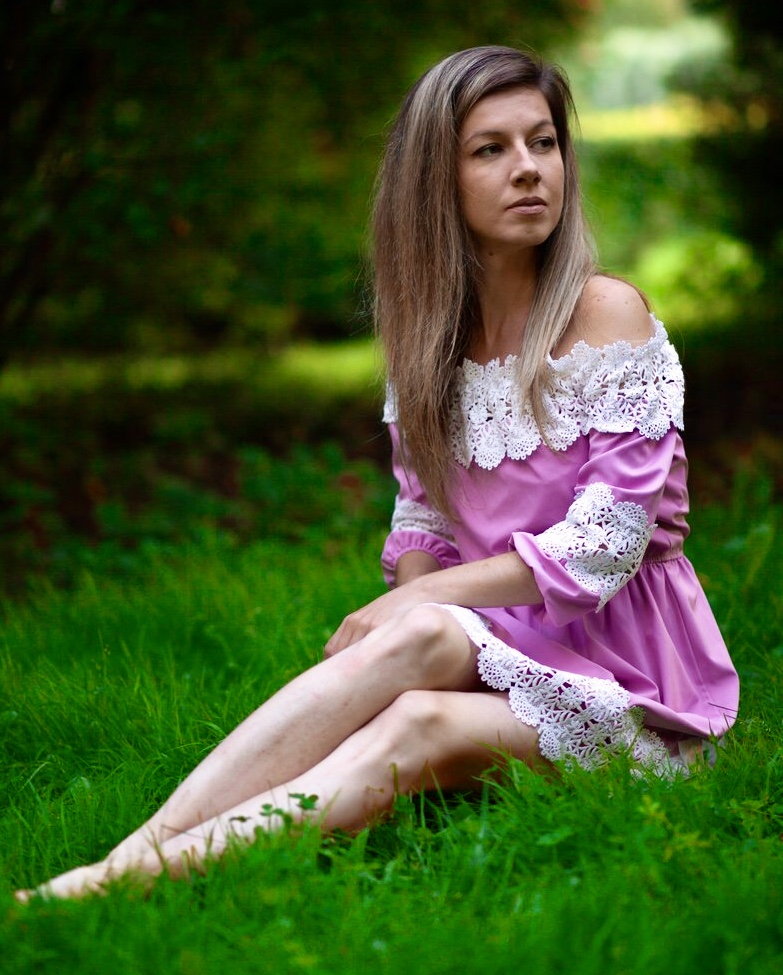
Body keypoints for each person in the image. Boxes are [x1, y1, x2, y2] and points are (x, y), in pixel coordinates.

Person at [15, 45, 739, 903]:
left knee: (418, 709)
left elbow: (602, 547)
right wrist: (417, 606)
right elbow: (424, 518)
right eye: (490, 149)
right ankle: (133, 853)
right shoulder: (429, 342)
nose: (528, 169)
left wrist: (419, 603)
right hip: (504, 650)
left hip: (639, 693)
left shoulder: (604, 313)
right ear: (436, 180)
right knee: (418, 649)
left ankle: (109, 886)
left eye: (542, 142)